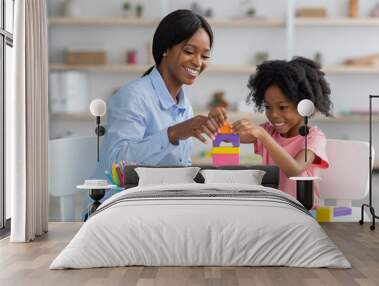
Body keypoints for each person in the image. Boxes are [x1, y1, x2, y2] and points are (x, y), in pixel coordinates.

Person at [84, 10, 225, 219]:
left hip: (158, 205)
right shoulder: (133, 96)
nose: (197, 62)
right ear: (166, 48)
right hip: (118, 209)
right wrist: (173, 133)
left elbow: (178, 166)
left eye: (204, 56)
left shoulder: (184, 106)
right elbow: (117, 163)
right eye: (189, 51)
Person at [232, 57, 333, 207]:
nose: (273, 115)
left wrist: (263, 135)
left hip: (305, 211)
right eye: (267, 107)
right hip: (275, 208)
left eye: (282, 107)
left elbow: (295, 170)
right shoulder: (268, 131)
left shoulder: (313, 137)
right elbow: (229, 137)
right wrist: (219, 124)